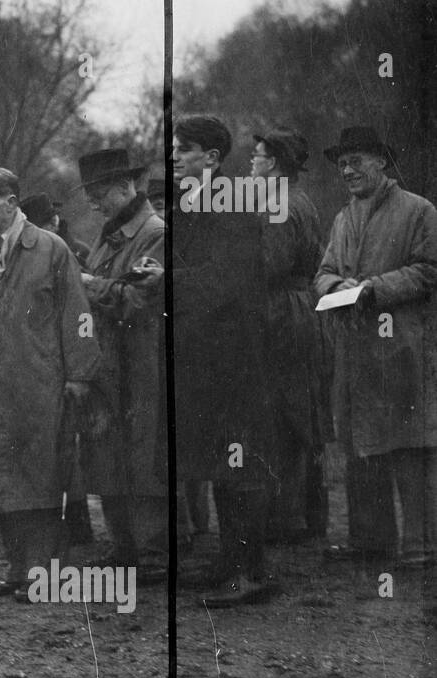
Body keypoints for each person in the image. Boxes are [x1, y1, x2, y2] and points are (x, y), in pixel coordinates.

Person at [0, 168, 101, 599]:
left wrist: (79, 374)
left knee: (42, 476)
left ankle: (48, 574)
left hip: (40, 379)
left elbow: (79, 315)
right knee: (1, 475)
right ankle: (19, 568)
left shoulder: (50, 249)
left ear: (12, 202)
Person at [315, 125, 437, 569]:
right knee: (359, 443)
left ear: (381, 162)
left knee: (409, 446)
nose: (347, 170)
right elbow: (323, 271)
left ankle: (420, 546)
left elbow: (428, 270)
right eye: (342, 164)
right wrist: (337, 284)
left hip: (402, 346)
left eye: (356, 161)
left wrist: (373, 288)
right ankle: (371, 542)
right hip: (355, 350)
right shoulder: (343, 217)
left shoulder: (418, 210)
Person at [172, 114, 276, 606]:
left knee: (241, 462)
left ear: (212, 158)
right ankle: (228, 562)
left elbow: (226, 281)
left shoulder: (231, 203)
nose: (175, 157)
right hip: (206, 355)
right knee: (219, 459)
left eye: (185, 149)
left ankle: (250, 573)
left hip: (236, 356)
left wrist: (166, 282)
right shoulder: (192, 203)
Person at [76, 149, 168, 583]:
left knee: (144, 452)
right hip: (109, 360)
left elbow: (138, 300)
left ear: (127, 187)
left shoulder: (155, 233)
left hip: (143, 359)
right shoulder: (109, 233)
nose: (93, 204)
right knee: (106, 448)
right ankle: (123, 546)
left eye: (98, 194)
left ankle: (153, 552)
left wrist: (90, 285)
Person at [251, 129, 330, 546]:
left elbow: (271, 265)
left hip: (282, 310)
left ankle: (288, 517)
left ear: (275, 164)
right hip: (300, 307)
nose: (251, 162)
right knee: (300, 411)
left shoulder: (278, 204)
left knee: (283, 413)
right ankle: (305, 515)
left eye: (257, 156)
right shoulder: (298, 199)